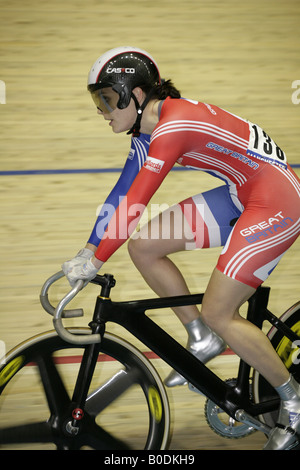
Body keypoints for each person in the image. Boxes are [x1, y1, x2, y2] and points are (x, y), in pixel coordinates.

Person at [62, 46, 300, 450]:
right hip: (243, 193)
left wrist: (98, 258)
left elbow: (137, 201)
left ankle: (294, 402)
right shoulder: (149, 129)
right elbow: (121, 192)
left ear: (134, 95)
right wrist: (88, 251)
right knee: (145, 247)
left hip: (277, 202)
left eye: (105, 98)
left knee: (220, 310)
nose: (101, 110)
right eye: (96, 100)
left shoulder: (173, 126)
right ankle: (202, 337)